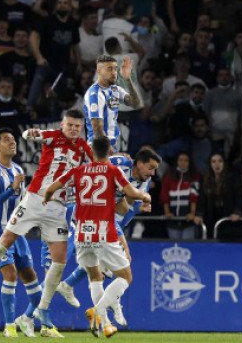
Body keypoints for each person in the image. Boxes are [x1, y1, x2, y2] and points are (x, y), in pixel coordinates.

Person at [0, 109, 92, 338]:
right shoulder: (54, 136)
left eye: (77, 126)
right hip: (34, 200)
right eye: (69, 124)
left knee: (59, 263)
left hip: (58, 209)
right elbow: (33, 135)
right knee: (3, 244)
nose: (73, 129)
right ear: (62, 124)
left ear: (81, 128)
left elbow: (99, 163)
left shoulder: (83, 148)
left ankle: (42, 313)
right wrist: (32, 133)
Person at [42, 136, 152, 338]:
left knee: (95, 277)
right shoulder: (113, 170)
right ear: (109, 151)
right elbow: (131, 193)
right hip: (104, 231)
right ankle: (98, 311)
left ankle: (105, 324)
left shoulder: (78, 171)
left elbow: (50, 188)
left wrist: (47, 200)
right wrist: (145, 196)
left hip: (82, 232)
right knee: (125, 277)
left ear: (91, 152)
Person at [0, 128, 43, 337]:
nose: (12, 142)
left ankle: (25, 319)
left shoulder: (17, 170)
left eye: (14, 139)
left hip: (15, 230)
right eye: (7, 140)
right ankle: (8, 326)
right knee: (10, 274)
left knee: (32, 279)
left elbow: (22, 203)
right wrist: (11, 189)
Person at [84, 54, 141, 147]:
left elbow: (135, 103)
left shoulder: (116, 90)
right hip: (102, 146)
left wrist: (127, 79)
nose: (114, 72)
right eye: (109, 69)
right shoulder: (93, 93)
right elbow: (95, 124)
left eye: (115, 69)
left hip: (121, 141)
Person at [161, 152, 201, 239]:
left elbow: (194, 197)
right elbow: (165, 197)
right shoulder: (168, 177)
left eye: (186, 161)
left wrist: (192, 213)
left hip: (188, 221)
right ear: (177, 162)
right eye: (181, 160)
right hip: (173, 222)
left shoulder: (195, 176)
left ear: (189, 162)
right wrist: (167, 212)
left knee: (187, 246)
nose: (183, 163)